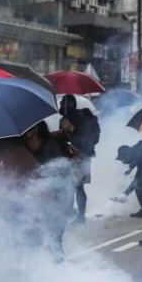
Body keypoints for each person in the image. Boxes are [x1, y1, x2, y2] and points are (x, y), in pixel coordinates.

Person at [22, 121, 77, 261]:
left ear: (33, 130)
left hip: (57, 201)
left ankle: (58, 272)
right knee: (33, 242)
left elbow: (54, 183)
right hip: (42, 202)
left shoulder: (52, 149)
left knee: (54, 240)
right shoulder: (31, 148)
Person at [59, 95, 101, 223]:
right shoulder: (86, 117)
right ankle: (80, 215)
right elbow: (95, 138)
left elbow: (64, 138)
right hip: (86, 155)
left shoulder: (67, 119)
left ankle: (73, 213)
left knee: (71, 185)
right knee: (79, 187)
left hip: (73, 156)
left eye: (62, 104)